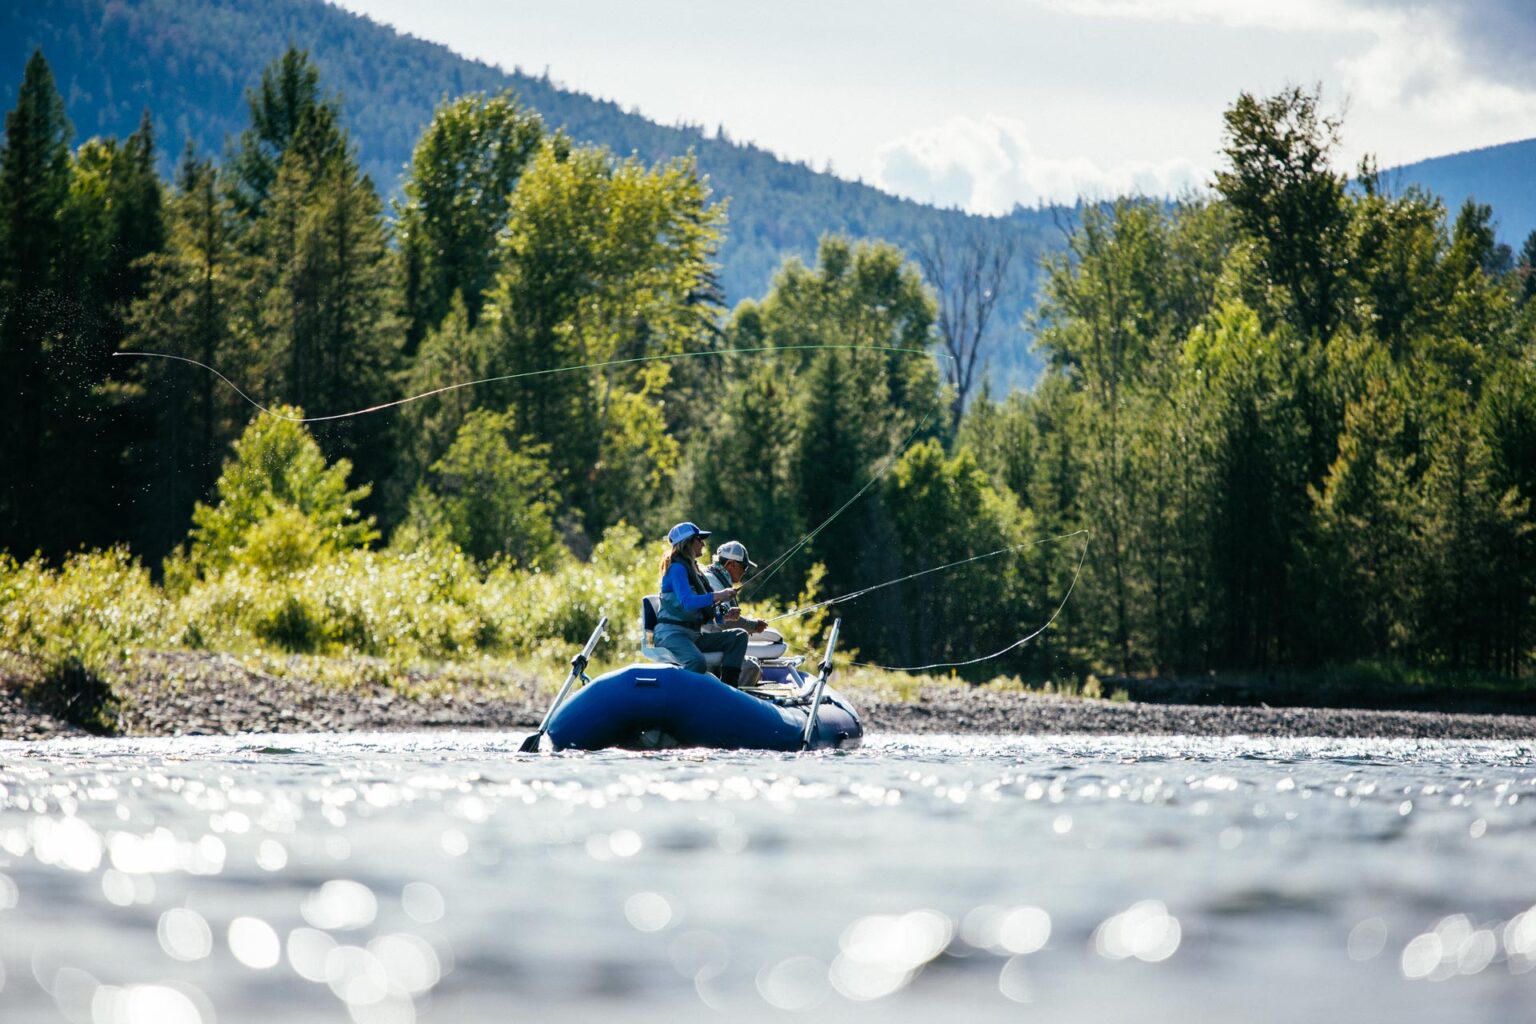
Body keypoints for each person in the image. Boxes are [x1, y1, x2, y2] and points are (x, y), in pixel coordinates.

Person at [654, 522, 750, 685]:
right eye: (699, 539)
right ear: (688, 542)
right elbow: (687, 602)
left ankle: (729, 689)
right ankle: (676, 693)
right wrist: (718, 595)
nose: (703, 544)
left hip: (693, 634)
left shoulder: (695, 570)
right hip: (671, 635)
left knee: (739, 636)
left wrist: (724, 617)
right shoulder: (677, 569)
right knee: (696, 661)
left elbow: (702, 611)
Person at [703, 540, 768, 635]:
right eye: (744, 567)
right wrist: (754, 625)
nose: (744, 571)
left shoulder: (715, 578)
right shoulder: (712, 580)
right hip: (707, 638)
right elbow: (725, 620)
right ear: (731, 564)